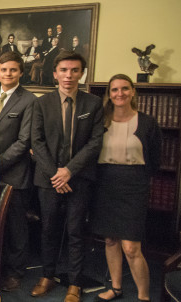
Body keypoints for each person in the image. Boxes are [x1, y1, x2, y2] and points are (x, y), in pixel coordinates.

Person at [30, 51, 104, 302]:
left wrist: (69, 171)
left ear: (81, 73)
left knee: (75, 231)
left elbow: (95, 143)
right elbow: (36, 142)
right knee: (48, 228)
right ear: (55, 73)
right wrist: (55, 174)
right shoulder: (41, 103)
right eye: (63, 70)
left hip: (79, 178)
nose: (68, 76)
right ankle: (47, 276)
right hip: (48, 179)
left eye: (74, 70)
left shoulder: (93, 104)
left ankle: (75, 283)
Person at [91, 75, 160, 302]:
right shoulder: (101, 121)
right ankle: (116, 288)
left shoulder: (148, 122)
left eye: (124, 89)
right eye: (114, 90)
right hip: (105, 183)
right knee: (110, 240)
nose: (119, 94)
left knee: (131, 247)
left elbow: (155, 161)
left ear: (132, 92)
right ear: (108, 94)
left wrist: (137, 180)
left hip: (134, 185)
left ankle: (143, 296)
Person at [0, 52, 37, 291]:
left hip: (13, 173)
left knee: (15, 228)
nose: (7, 74)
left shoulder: (29, 100)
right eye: (3, 70)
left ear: (21, 73)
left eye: (13, 70)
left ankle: (15, 272)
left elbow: (24, 142)